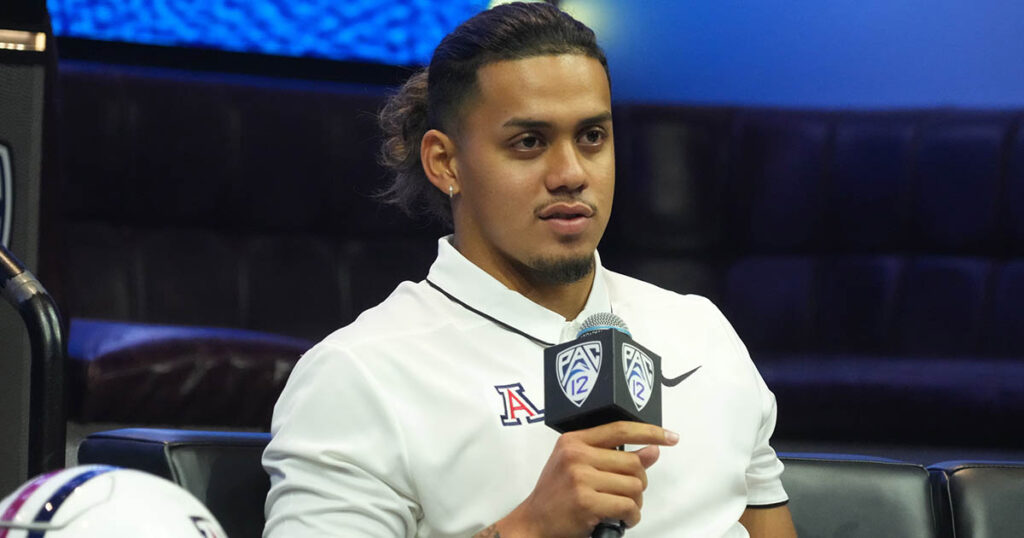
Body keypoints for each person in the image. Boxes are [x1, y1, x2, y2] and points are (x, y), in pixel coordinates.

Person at [262, 3, 797, 537]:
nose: (570, 173)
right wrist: (531, 528)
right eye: (529, 142)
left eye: (591, 137)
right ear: (445, 163)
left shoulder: (701, 331)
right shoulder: (357, 375)